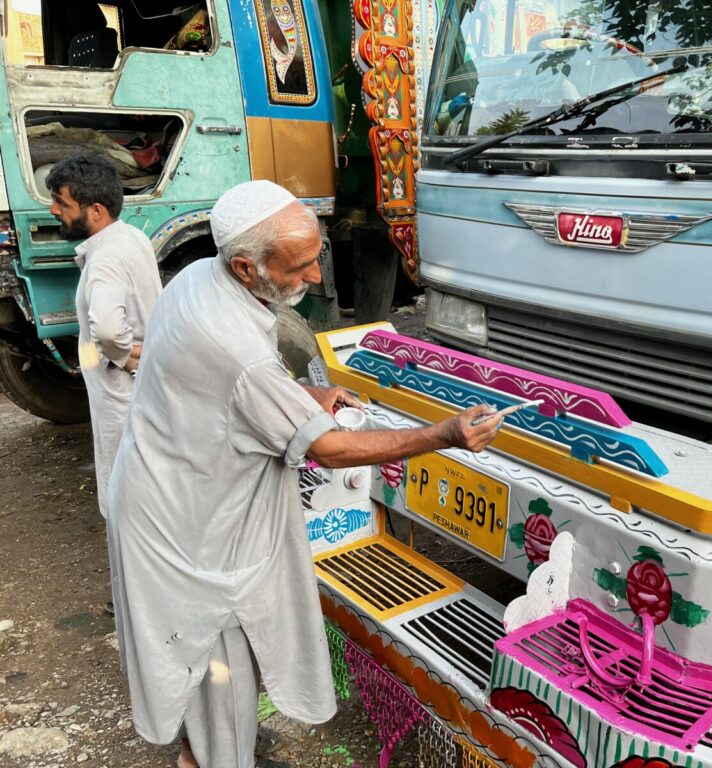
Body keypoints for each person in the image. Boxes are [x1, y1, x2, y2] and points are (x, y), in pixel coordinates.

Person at [105, 179, 501, 768]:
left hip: (161, 489)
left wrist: (309, 393)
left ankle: (201, 752)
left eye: (316, 256)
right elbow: (332, 451)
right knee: (219, 663)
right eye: (301, 265)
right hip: (191, 527)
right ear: (244, 265)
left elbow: (218, 392)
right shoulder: (238, 351)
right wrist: (443, 435)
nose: (316, 277)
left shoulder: (194, 280)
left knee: (198, 658)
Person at [46, 153, 161, 523]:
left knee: (125, 492)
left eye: (62, 203)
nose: (53, 210)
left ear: (96, 210)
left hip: (120, 393)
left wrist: (124, 355)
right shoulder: (131, 236)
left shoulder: (106, 260)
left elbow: (109, 330)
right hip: (140, 389)